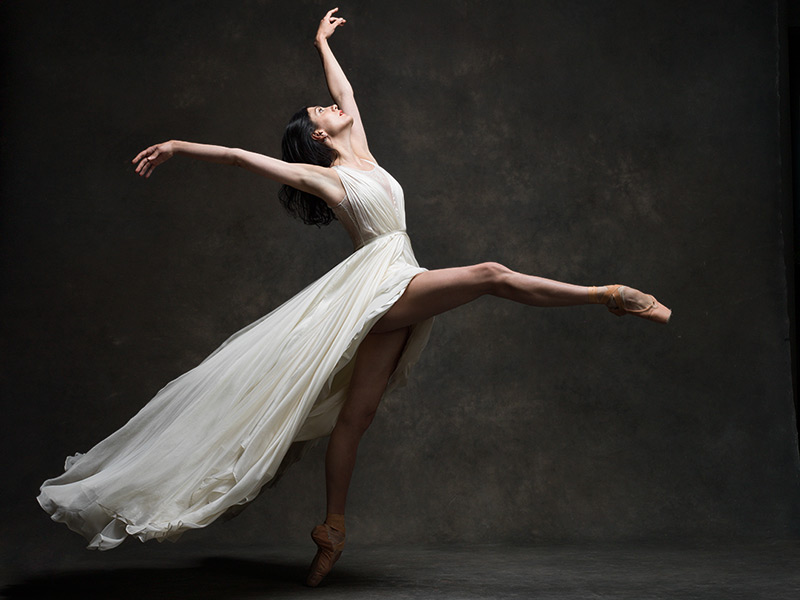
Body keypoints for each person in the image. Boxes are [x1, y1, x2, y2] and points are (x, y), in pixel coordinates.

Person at [37, 8, 671, 587]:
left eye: (327, 106)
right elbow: (237, 157)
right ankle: (610, 294)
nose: (331, 107)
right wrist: (178, 145)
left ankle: (331, 530)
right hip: (380, 286)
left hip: (394, 277)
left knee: (354, 420)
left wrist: (320, 44)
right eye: (319, 112)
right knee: (491, 274)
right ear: (315, 138)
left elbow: (344, 92)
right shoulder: (325, 175)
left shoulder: (360, 147)